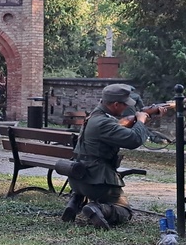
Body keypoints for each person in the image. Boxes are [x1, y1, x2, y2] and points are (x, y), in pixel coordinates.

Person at [61, 83, 152, 230]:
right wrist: (141, 120)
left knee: (87, 189)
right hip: (95, 181)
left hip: (78, 180)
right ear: (115, 104)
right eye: (125, 105)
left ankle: (75, 202)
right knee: (125, 211)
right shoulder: (104, 122)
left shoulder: (94, 116)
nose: (127, 108)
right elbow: (134, 140)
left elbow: (115, 129)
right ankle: (98, 209)